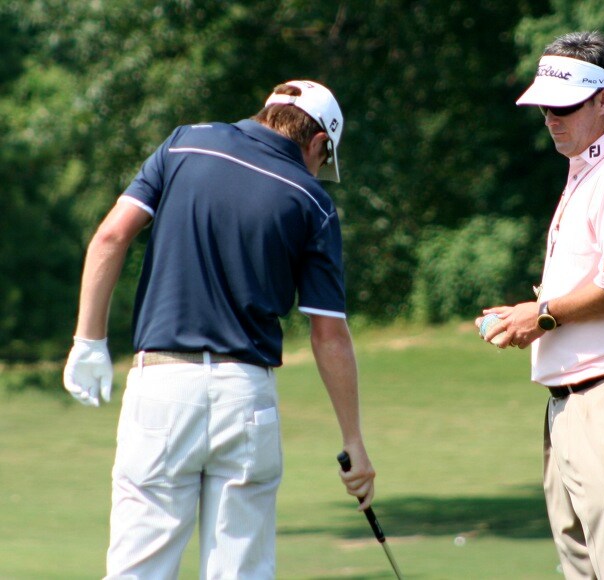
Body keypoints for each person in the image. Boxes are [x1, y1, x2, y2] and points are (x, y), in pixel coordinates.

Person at [63, 79, 376, 579]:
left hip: (162, 386)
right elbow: (328, 335)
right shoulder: (312, 201)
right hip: (245, 397)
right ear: (319, 142)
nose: (318, 171)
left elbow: (110, 237)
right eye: (323, 159)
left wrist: (89, 341)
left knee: (136, 571)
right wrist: (353, 440)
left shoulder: (184, 143)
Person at [477, 32, 604, 580]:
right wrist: (529, 313)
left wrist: (541, 317)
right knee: (583, 568)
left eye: (563, 107)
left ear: (603, 99)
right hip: (572, 402)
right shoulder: (588, 174)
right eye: (545, 108)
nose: (550, 119)